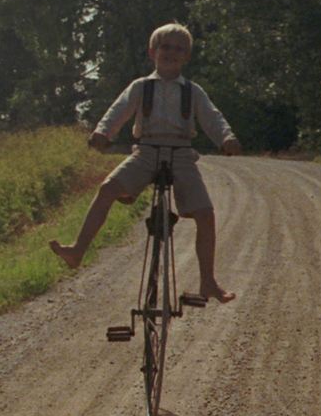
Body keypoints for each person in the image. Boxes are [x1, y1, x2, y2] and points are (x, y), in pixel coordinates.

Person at [49, 22, 241, 303]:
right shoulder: (141, 87)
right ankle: (77, 250)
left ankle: (208, 281)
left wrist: (227, 138)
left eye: (179, 49)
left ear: (186, 56)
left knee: (205, 214)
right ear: (153, 52)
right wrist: (103, 133)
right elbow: (118, 111)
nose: (171, 53)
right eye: (165, 47)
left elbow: (213, 117)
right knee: (107, 189)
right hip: (146, 150)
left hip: (181, 153)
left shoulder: (193, 91)